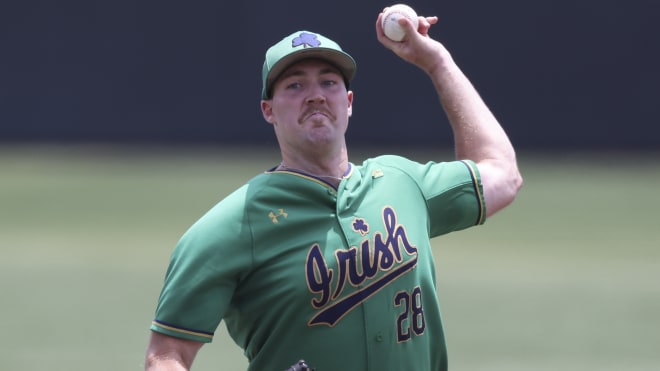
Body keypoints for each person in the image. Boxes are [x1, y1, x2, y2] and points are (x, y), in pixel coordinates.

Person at [144, 8, 522, 371]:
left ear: (349, 102)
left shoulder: (403, 183)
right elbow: (166, 354)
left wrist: (438, 62)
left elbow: (503, 176)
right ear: (268, 110)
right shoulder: (232, 226)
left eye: (329, 82)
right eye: (295, 85)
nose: (316, 95)